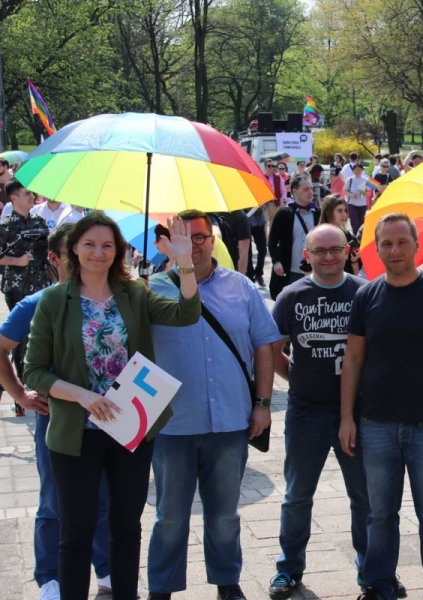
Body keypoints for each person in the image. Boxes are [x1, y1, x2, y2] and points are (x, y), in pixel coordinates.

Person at [23, 213, 201, 600]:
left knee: (126, 527)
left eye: (107, 245)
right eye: (89, 244)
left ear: (118, 251)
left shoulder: (133, 293)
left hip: (129, 425)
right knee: (76, 531)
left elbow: (186, 314)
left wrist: (184, 262)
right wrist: (83, 396)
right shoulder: (55, 299)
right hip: (76, 433)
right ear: (74, 248)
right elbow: (33, 371)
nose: (98, 252)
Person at [339, 213, 423, 600]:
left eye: (402, 242)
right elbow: (353, 359)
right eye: (387, 243)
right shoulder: (366, 295)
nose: (395, 250)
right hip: (377, 423)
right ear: (378, 248)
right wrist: (347, 417)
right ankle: (378, 585)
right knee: (380, 513)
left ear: (417, 245)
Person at [146, 209, 280, 600]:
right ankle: (162, 587)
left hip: (230, 420)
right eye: (182, 237)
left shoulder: (241, 287)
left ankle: (227, 582)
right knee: (170, 515)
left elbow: (264, 347)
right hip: (173, 422)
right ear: (167, 243)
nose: (192, 245)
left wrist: (263, 403)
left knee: (224, 514)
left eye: (200, 237)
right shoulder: (152, 289)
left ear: (213, 240)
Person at [0, 223, 112, 600]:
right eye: (75, 252)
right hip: (58, 419)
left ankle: (107, 568)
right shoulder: (38, 303)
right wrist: (21, 395)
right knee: (55, 500)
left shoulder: (112, 299)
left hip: (107, 419)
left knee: (104, 497)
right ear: (56, 259)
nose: (86, 259)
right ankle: (50, 577)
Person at [267, 224, 378, 600]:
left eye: (335, 249)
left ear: (348, 251)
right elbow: (273, 350)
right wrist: (296, 378)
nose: (328, 257)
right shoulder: (291, 296)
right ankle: (288, 568)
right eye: (320, 251)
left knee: (364, 496)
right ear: (306, 255)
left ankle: (370, 569)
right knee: (297, 495)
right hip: (306, 412)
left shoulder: (364, 291)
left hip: (356, 413)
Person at [0, 180, 51, 309]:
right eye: (27, 194)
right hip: (17, 287)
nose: (32, 197)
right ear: (14, 198)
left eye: (32, 193)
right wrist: (17, 261)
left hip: (41, 285)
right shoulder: (6, 226)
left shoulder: (39, 222)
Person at [268, 177, 321, 299]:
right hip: (289, 270)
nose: (310, 192)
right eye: (306, 189)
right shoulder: (284, 213)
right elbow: (272, 240)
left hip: (313, 271)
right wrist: (276, 261)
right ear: (295, 192)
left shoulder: (318, 213)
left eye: (311, 189)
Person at [318, 194, 361, 275]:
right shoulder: (316, 238)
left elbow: (356, 274)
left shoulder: (349, 237)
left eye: (345, 211)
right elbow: (308, 270)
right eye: (339, 211)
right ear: (328, 212)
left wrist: (354, 261)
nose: (344, 215)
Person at [344, 164, 369, 236]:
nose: (357, 171)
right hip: (351, 204)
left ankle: (360, 237)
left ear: (362, 170)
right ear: (353, 170)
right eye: (355, 169)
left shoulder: (365, 180)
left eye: (359, 169)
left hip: (362, 204)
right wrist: (351, 195)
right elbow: (345, 190)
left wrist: (363, 192)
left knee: (361, 222)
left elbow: (368, 193)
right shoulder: (350, 179)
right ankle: (355, 237)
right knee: (354, 222)